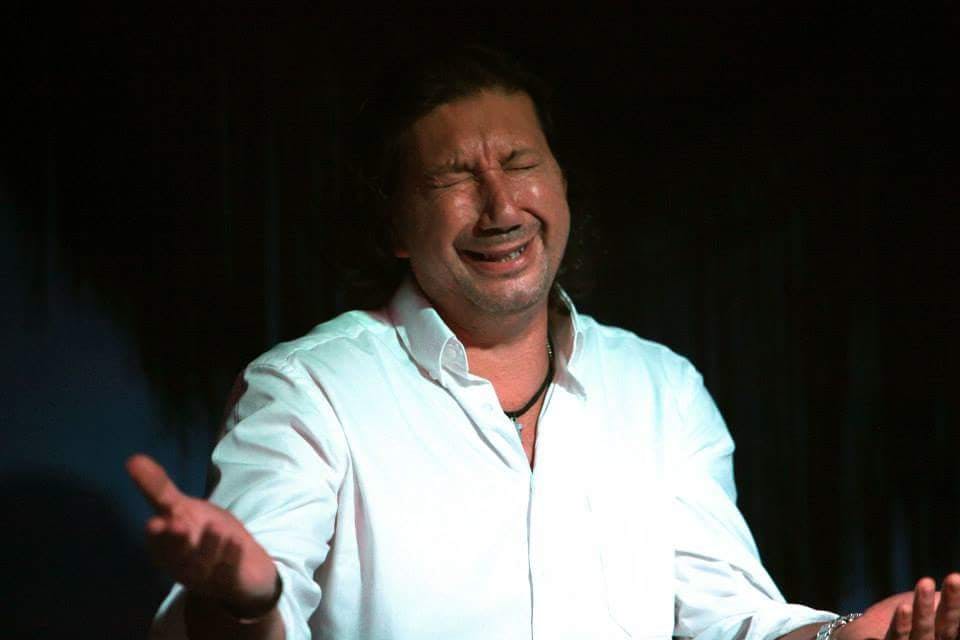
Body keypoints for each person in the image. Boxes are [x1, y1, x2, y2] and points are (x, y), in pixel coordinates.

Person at [128, 47, 960, 640]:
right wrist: (243, 599)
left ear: (561, 183)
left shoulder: (661, 388)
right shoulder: (311, 389)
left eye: (521, 163)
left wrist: (835, 639)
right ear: (392, 224)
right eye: (454, 177)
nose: (500, 207)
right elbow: (251, 606)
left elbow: (726, 619)